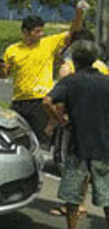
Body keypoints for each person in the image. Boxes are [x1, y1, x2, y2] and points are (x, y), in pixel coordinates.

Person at [0, 0, 88, 150]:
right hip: (19, 101)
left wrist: (79, 12)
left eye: (42, 30)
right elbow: (3, 75)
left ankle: (37, 169)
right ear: (26, 32)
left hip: (39, 101)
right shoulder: (12, 50)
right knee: (16, 141)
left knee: (38, 141)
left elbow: (74, 31)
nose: (41, 34)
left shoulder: (48, 43)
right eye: (37, 31)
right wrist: (1, 68)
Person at [43, 40, 109, 229]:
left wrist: (61, 120)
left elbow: (47, 101)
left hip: (77, 146)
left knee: (73, 196)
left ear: (74, 59)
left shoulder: (70, 81)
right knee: (106, 195)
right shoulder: (106, 81)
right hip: (104, 146)